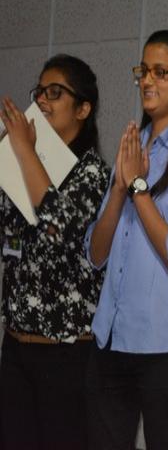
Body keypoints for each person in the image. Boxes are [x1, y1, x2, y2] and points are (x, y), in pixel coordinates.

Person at [84, 30, 168, 450]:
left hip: (167, 348)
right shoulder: (133, 148)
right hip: (111, 339)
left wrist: (138, 187)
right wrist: (120, 189)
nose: (147, 80)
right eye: (144, 70)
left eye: (161, 72)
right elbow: (95, 254)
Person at [0, 55, 110, 450]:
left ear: (83, 109)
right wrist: (8, 155)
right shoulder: (18, 161)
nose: (42, 101)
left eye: (55, 92)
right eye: (40, 92)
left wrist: (23, 149)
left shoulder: (92, 173)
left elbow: (58, 228)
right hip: (16, 345)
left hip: (67, 353)